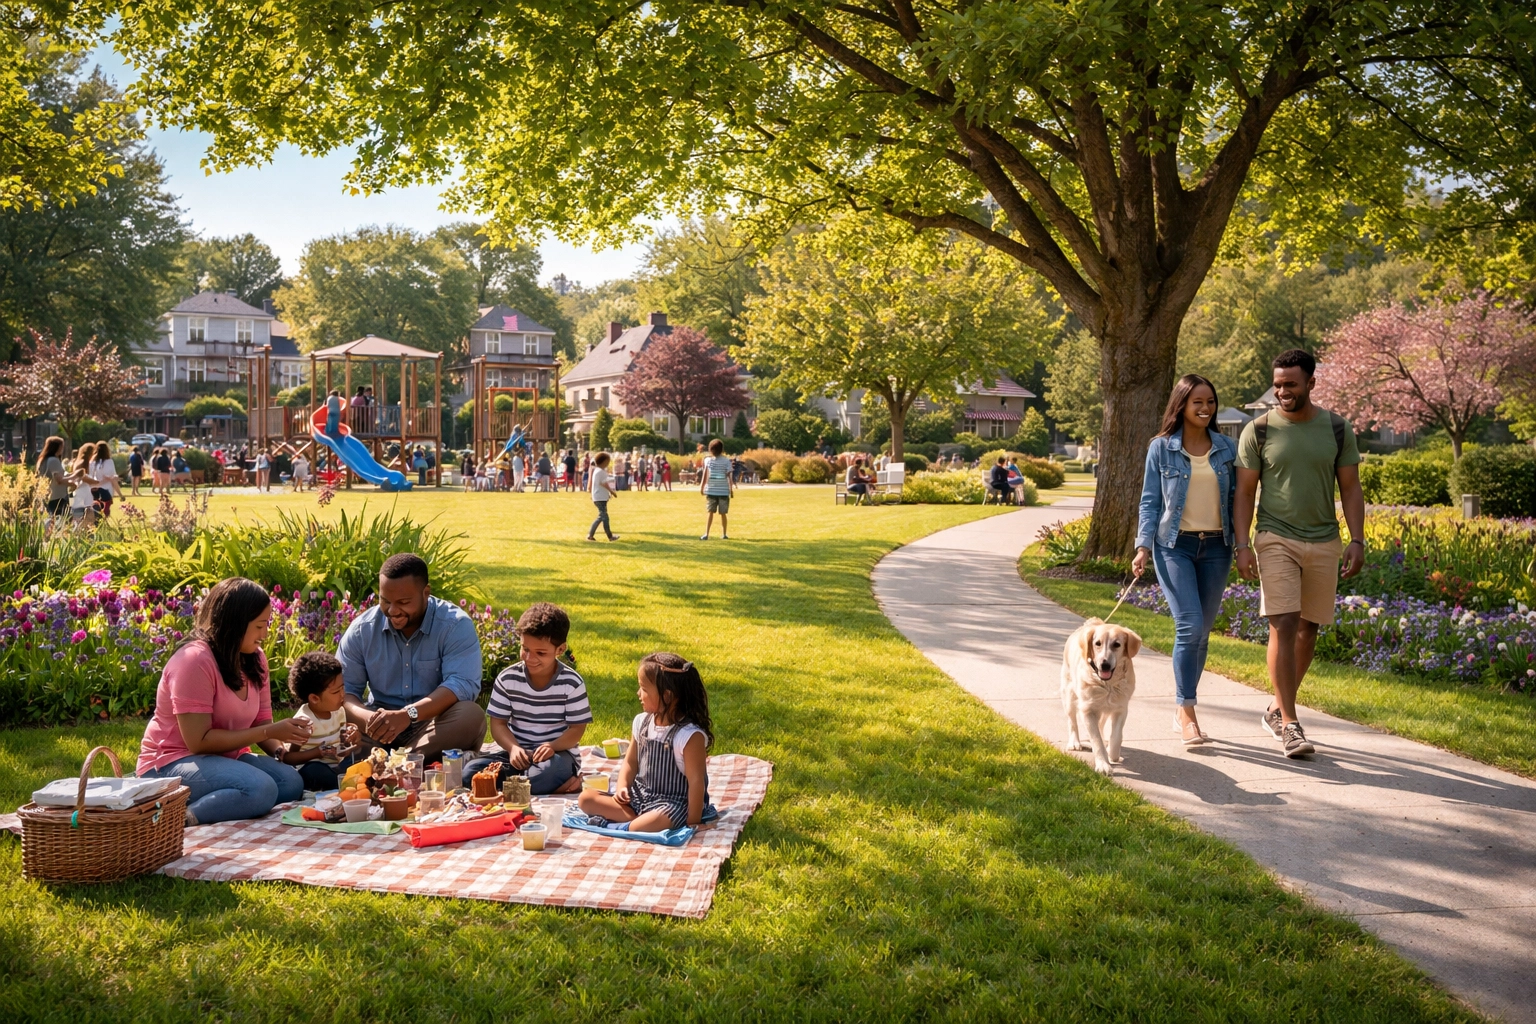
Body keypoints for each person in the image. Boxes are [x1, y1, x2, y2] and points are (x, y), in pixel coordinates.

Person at [1234, 349, 1365, 759]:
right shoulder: (1258, 430)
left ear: (1311, 382)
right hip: (1276, 537)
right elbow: (1244, 492)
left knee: (1310, 628)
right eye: (1277, 384)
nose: (1282, 391)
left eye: (1290, 384)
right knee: (1284, 623)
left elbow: (1351, 489)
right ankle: (1290, 723)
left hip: (1324, 539)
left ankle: (1276, 707)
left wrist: (1357, 539)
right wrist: (1243, 544)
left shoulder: (1338, 429)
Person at [136, 578, 307, 825]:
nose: (265, 634)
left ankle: (224, 800)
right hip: (170, 763)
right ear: (235, 623)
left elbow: (261, 722)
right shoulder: (194, 661)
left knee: (290, 782)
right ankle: (174, 819)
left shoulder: (255, 660)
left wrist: (285, 749)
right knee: (261, 789)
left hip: (224, 757)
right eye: (260, 626)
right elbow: (198, 742)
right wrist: (269, 730)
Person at [1131, 374, 1237, 747]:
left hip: (1217, 548)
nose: (1206, 408)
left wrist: (1242, 545)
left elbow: (1238, 501)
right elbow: (1150, 501)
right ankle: (1187, 711)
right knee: (1190, 624)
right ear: (1182, 405)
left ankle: (1183, 708)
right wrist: (1143, 546)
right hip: (1173, 545)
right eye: (1198, 402)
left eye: (1210, 401)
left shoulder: (1227, 448)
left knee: (1203, 630)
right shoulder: (1161, 448)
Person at [337, 553, 486, 765]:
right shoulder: (363, 629)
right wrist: (368, 719)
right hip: (377, 731)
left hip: (432, 726)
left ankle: (391, 763)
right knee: (336, 731)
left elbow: (461, 685)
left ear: (426, 593)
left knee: (471, 716)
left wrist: (408, 714)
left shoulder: (455, 625)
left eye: (403, 602)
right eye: (385, 601)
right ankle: (409, 763)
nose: (393, 610)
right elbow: (344, 692)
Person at [577, 652, 713, 832]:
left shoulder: (689, 735)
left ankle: (622, 825)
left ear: (667, 696)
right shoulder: (641, 722)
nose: (638, 693)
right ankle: (633, 823)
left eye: (644, 689)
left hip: (672, 804)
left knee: (654, 821)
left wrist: (693, 822)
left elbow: (696, 782)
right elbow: (630, 762)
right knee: (585, 799)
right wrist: (622, 787)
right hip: (640, 797)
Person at [464, 603, 590, 795]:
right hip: (517, 754)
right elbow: (498, 724)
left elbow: (577, 729)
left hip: (557, 756)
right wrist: (513, 748)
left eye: (540, 653)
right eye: (525, 649)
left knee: (549, 772)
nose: (530, 658)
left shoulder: (571, 683)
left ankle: (517, 787)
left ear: (560, 649)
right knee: (469, 773)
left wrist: (552, 746)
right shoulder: (507, 679)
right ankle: (541, 787)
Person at [699, 438, 735, 540]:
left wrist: (702, 487)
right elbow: (729, 476)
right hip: (723, 491)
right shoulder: (726, 461)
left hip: (711, 490)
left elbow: (705, 476)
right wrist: (731, 489)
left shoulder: (708, 460)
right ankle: (724, 534)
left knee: (710, 512)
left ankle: (707, 533)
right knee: (723, 513)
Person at [36, 436, 70, 522]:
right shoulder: (54, 460)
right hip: (57, 497)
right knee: (60, 521)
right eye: (62, 446)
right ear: (57, 447)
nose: (63, 449)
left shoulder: (43, 460)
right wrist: (74, 483)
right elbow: (59, 479)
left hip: (47, 496)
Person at [587, 451, 619, 541]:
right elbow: (604, 483)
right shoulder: (600, 471)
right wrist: (612, 492)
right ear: (604, 461)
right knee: (603, 517)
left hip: (599, 497)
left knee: (603, 517)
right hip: (600, 497)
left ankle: (596, 535)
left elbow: (604, 481)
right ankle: (608, 536)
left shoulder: (598, 471)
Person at [68, 449, 98, 526]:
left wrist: (71, 505)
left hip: (75, 504)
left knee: (76, 523)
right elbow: (96, 483)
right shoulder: (84, 477)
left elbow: (70, 494)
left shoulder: (71, 477)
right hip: (83, 506)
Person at [90, 441, 118, 519]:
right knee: (106, 505)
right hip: (105, 487)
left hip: (93, 487)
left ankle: (96, 519)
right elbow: (112, 475)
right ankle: (103, 520)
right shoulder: (109, 461)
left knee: (96, 504)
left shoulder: (92, 461)